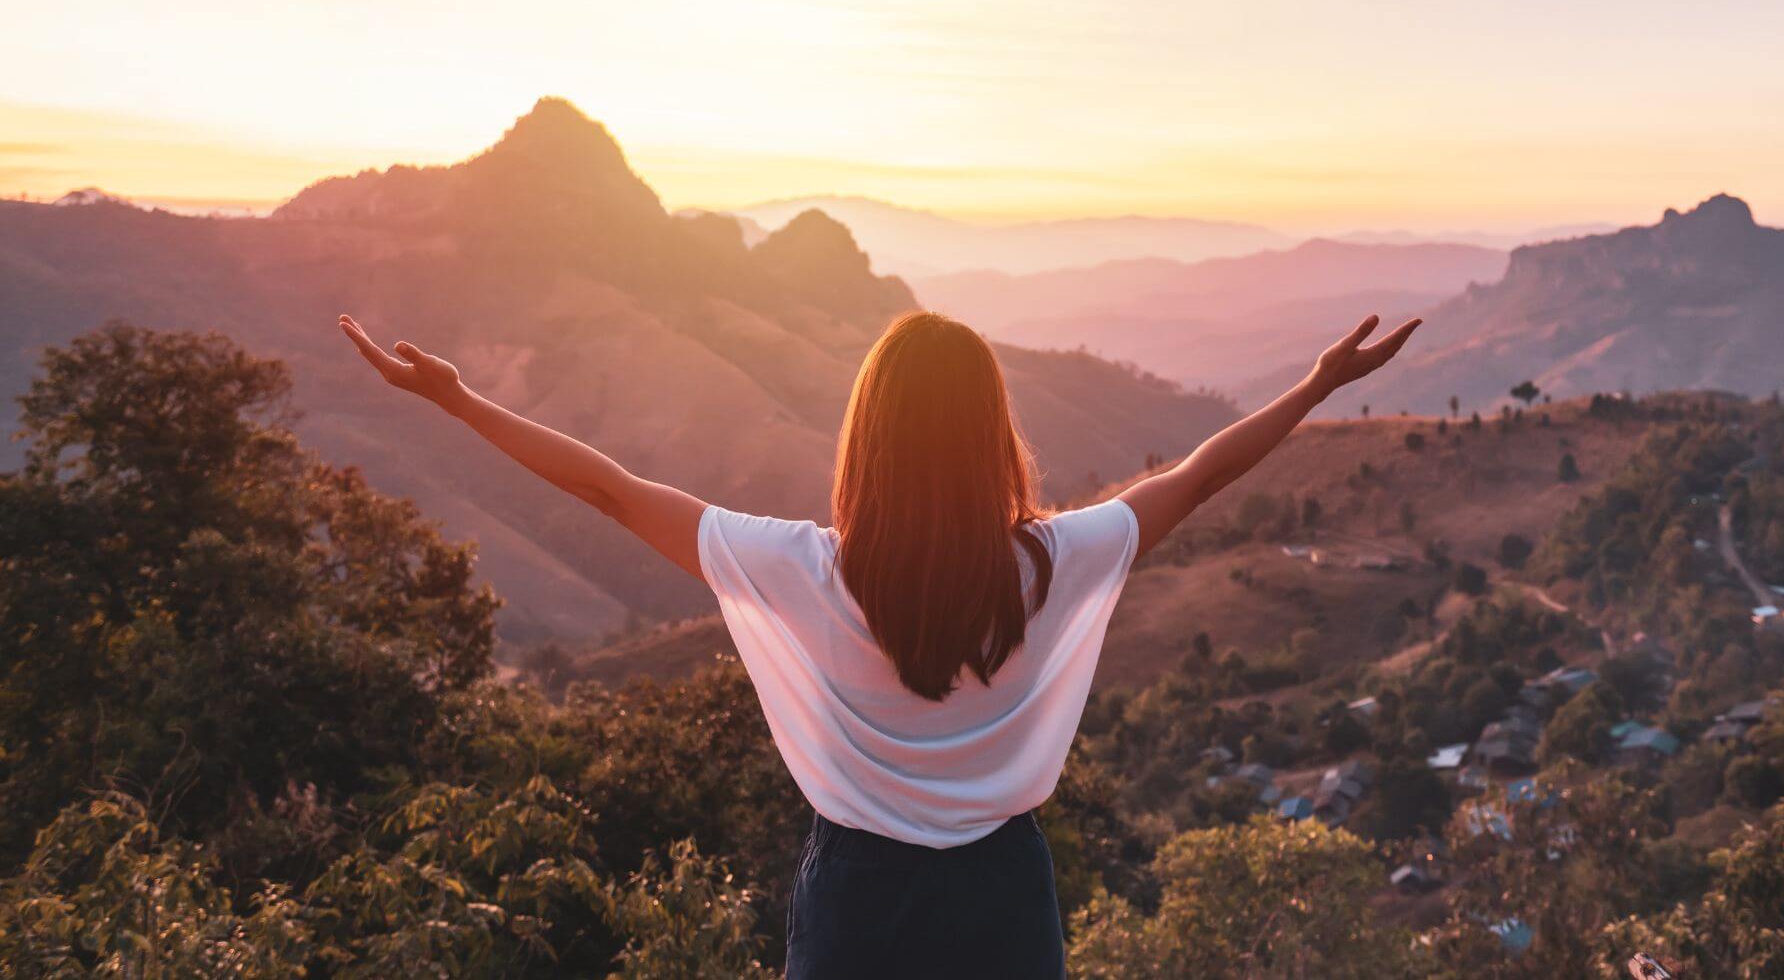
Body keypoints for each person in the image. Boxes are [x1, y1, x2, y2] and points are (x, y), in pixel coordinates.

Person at [339, 308, 1418, 978]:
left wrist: (462, 402)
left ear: (868, 438)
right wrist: (1317, 386)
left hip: (860, 897)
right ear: (992, 437)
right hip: (1002, 894)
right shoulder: (1050, 565)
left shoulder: (803, 570)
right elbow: (1199, 474)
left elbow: (611, 492)